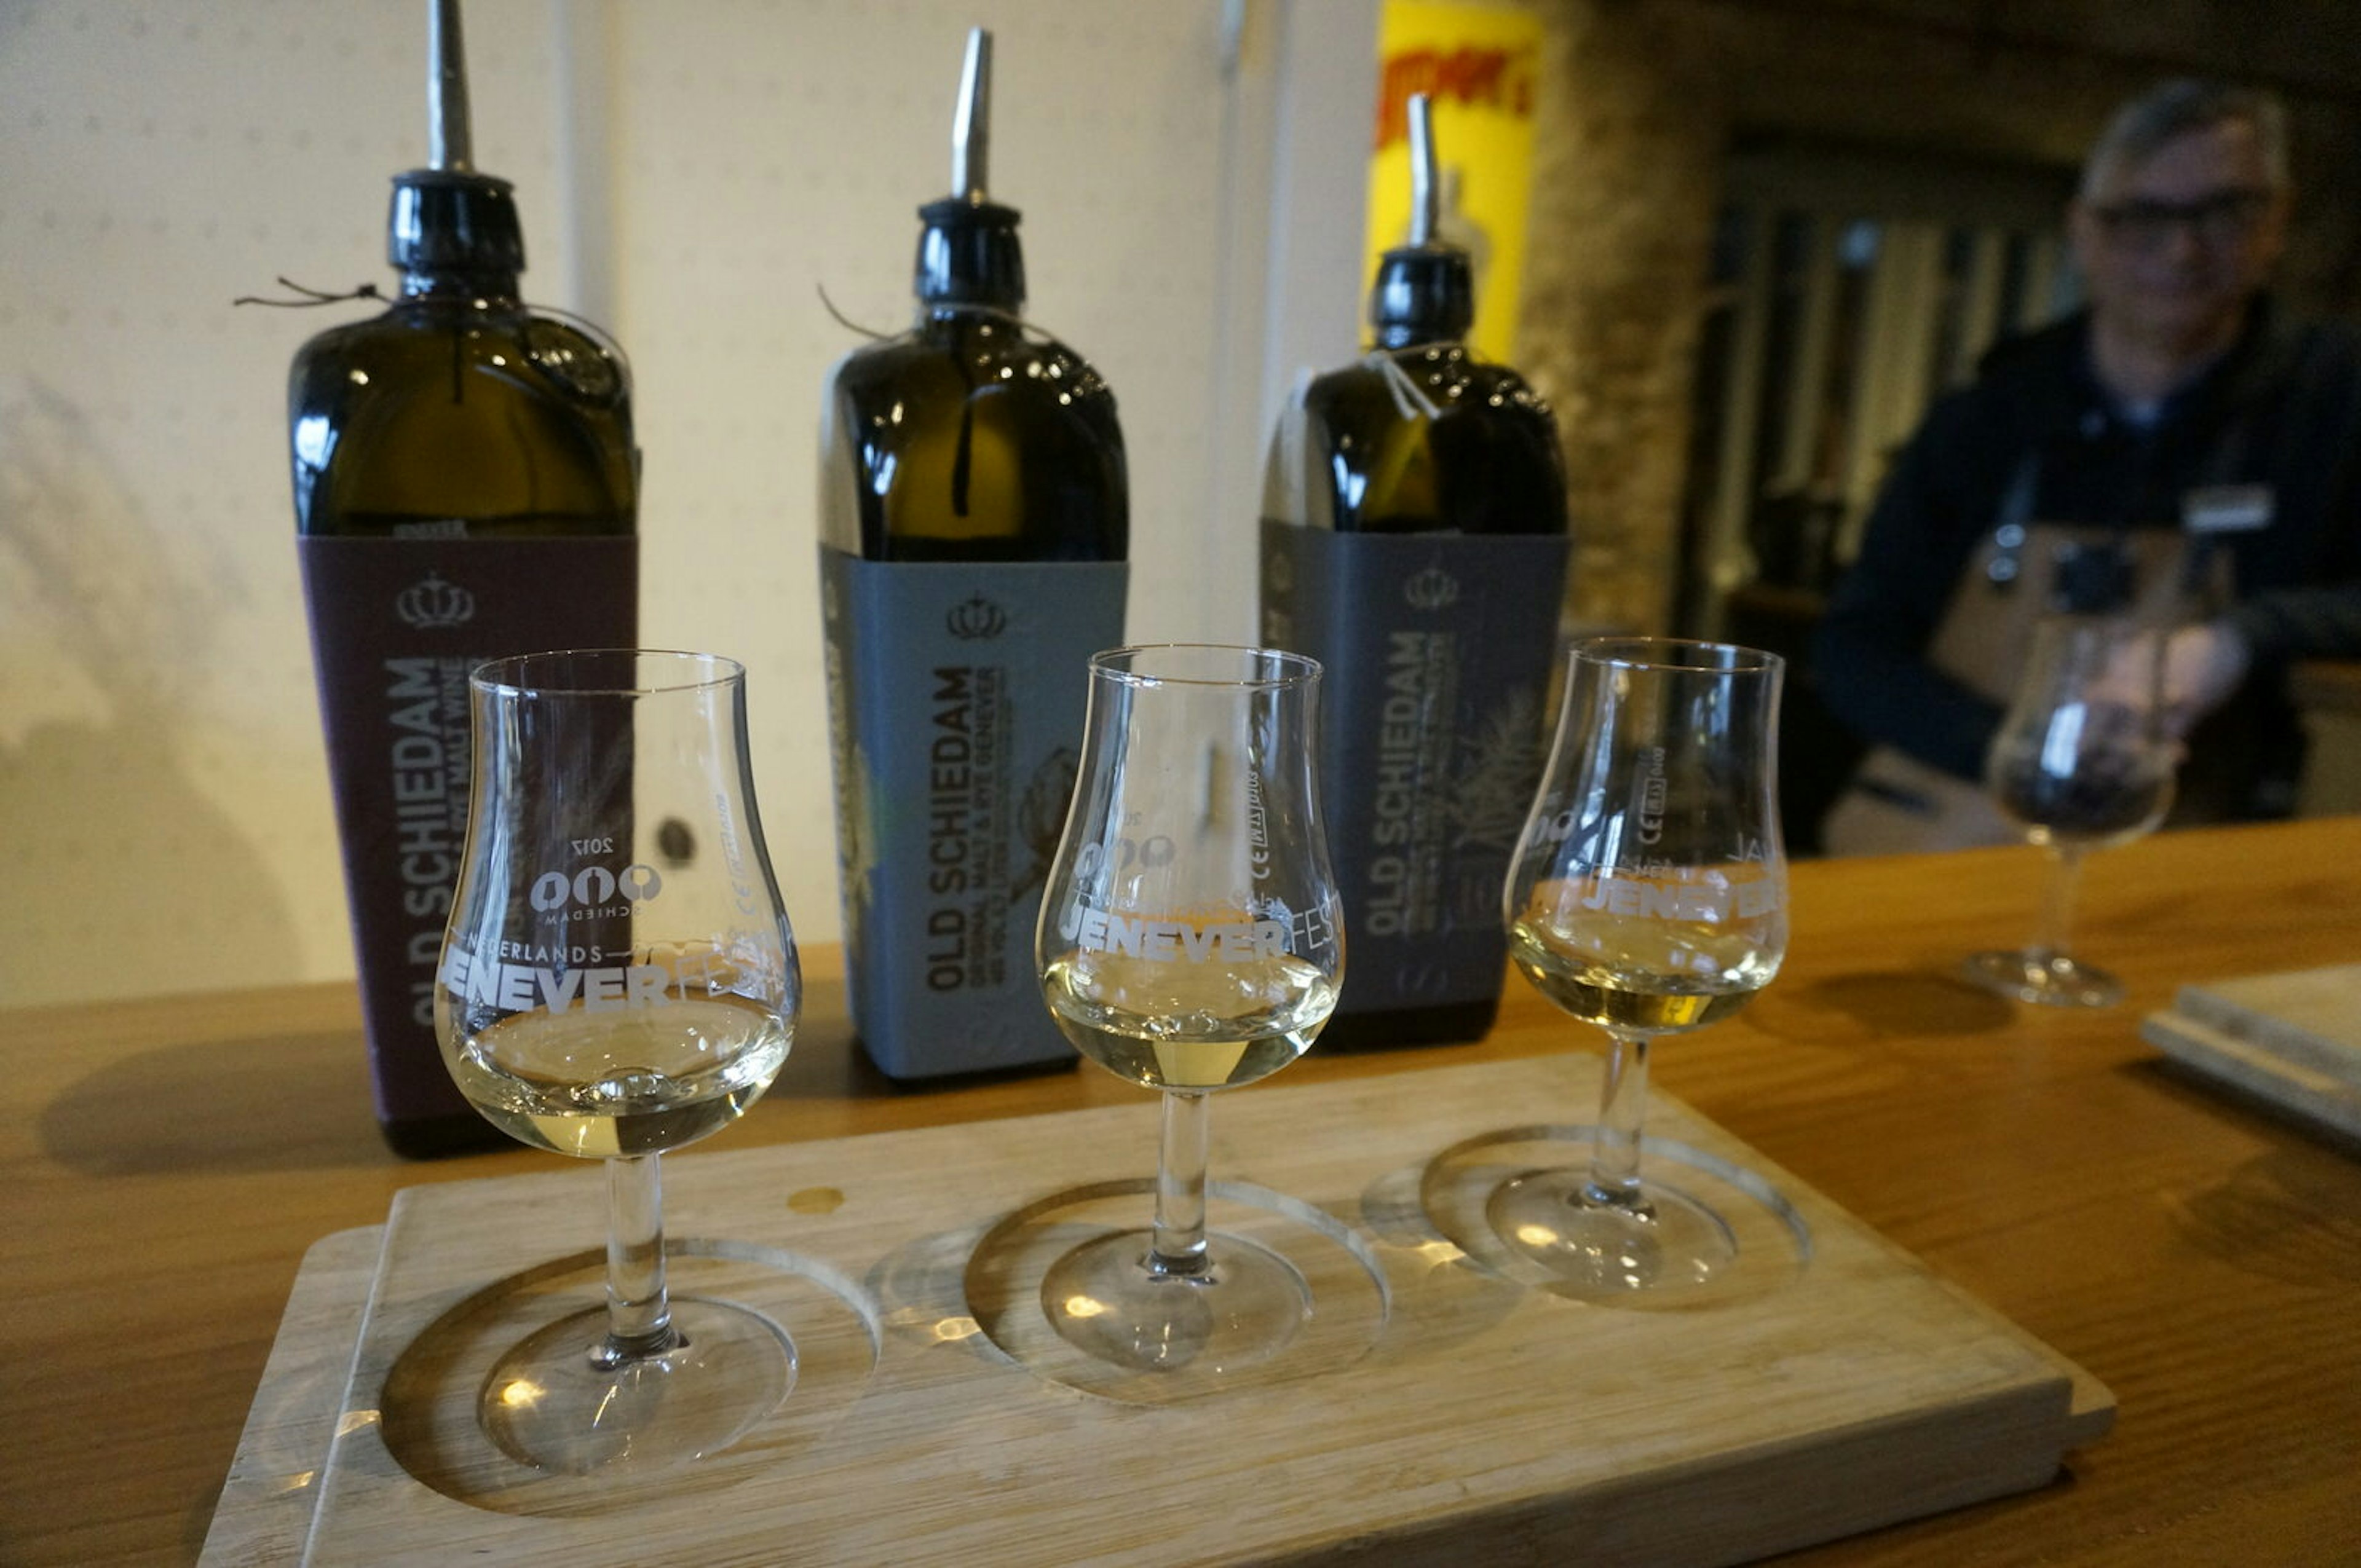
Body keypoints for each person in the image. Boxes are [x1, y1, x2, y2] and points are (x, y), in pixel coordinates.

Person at [1815, 79, 2361, 855]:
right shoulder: (1991, 414)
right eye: (2146, 216)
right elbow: (1852, 649)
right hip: (1943, 824)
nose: (2183, 250)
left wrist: (2236, 642)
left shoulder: (2331, 403)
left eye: (2222, 213)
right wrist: (2030, 753)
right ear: (2085, 230)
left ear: (2274, 224)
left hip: (2185, 847)